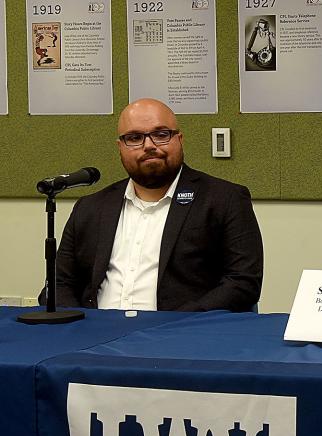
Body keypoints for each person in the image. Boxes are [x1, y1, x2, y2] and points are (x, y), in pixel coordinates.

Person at [52, 98, 264, 312]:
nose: (149, 146)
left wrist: (175, 324)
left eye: (161, 135)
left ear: (179, 139)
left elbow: (243, 283)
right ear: (120, 147)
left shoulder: (224, 199)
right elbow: (59, 284)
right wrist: (78, 326)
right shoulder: (90, 208)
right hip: (95, 335)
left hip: (181, 335)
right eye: (134, 138)